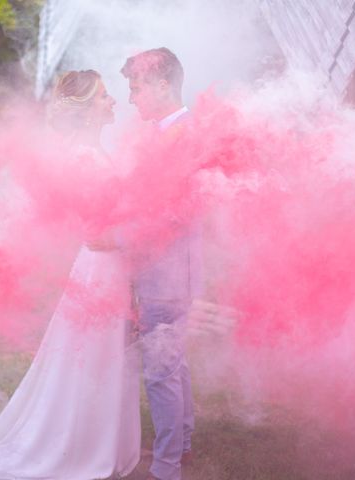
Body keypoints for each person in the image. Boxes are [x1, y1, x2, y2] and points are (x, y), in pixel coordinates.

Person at [0, 70, 141, 480]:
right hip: (102, 265)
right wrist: (140, 232)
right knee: (90, 357)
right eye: (104, 97)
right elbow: (94, 230)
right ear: (86, 110)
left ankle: (93, 438)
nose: (113, 102)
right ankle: (74, 443)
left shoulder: (94, 150)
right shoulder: (85, 157)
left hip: (109, 264)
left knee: (102, 355)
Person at [121, 47, 198, 480]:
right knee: (174, 362)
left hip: (167, 272)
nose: (131, 98)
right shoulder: (167, 132)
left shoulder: (181, 137)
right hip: (166, 270)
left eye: (136, 87)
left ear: (163, 85)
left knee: (160, 371)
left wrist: (113, 237)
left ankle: (167, 467)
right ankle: (180, 444)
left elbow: (171, 215)